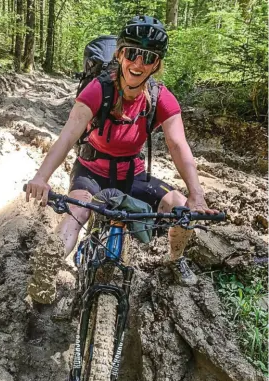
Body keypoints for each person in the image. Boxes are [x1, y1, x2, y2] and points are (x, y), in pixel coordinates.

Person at [25, 14, 218, 304]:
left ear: (156, 65)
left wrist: (197, 196)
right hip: (91, 171)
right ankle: (49, 264)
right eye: (132, 53)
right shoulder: (98, 89)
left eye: (148, 57)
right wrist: (42, 177)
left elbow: (178, 145)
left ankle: (175, 259)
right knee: (78, 211)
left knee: (180, 207)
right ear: (120, 54)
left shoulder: (160, 97)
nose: (138, 64)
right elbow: (67, 136)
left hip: (133, 175)